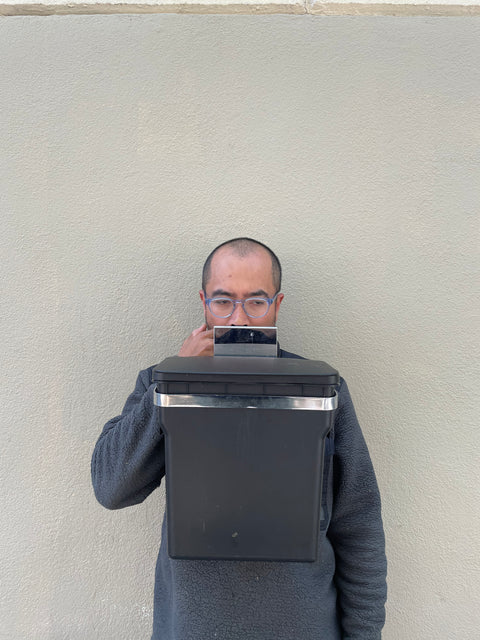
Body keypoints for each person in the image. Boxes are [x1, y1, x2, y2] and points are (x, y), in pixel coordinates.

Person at [91, 237, 387, 640]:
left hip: (303, 626)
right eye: (224, 300)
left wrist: (365, 633)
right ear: (203, 302)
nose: (240, 320)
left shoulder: (322, 388)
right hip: (193, 629)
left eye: (256, 301)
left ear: (277, 305)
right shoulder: (160, 383)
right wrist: (172, 381)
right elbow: (111, 487)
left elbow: (359, 524)